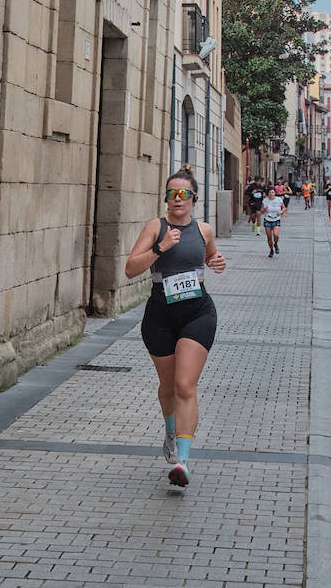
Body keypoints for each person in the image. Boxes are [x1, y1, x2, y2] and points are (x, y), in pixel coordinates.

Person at [125, 166, 226, 490]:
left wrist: (216, 262)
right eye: (172, 194)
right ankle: (171, 431)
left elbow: (209, 257)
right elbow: (130, 268)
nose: (177, 199)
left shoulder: (205, 230)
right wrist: (161, 247)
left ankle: (182, 461)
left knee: (185, 386)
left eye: (183, 194)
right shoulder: (156, 227)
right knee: (168, 388)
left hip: (197, 311)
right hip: (160, 314)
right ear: (166, 198)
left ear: (193, 199)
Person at [260, 186, 286, 256]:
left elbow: (284, 208)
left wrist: (280, 212)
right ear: (267, 194)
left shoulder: (279, 200)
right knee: (269, 237)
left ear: (275, 193)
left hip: (276, 219)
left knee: (276, 234)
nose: (271, 194)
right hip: (267, 219)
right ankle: (271, 250)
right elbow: (261, 211)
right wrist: (264, 210)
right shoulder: (265, 200)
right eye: (270, 192)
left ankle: (276, 244)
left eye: (272, 192)